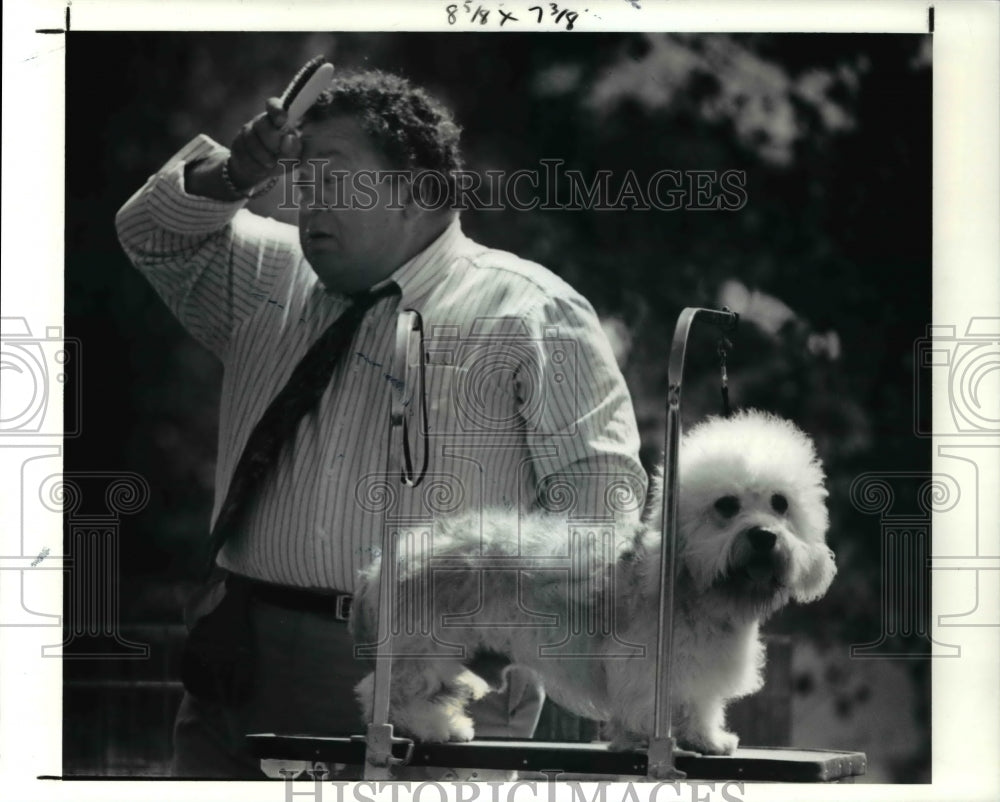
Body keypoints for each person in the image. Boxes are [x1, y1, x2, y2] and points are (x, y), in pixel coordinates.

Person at [116, 68, 647, 778]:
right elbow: (149, 229)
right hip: (241, 663)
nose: (307, 203)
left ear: (420, 191)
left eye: (334, 179)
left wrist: (519, 640)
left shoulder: (531, 310)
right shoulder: (269, 274)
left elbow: (601, 513)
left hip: (438, 673)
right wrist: (238, 169)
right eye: (301, 180)